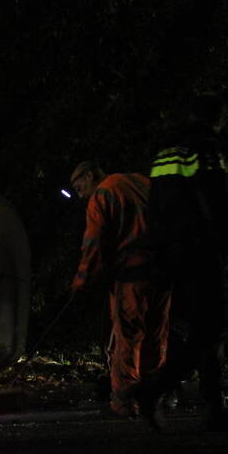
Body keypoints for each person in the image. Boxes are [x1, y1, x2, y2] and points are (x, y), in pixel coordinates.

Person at [137, 92, 228, 431]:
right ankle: (159, 390)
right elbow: (216, 199)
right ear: (216, 117)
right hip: (202, 251)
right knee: (212, 328)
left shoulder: (165, 152)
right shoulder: (206, 148)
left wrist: (158, 255)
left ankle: (212, 404)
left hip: (172, 255)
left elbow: (154, 207)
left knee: (202, 329)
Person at [68, 161, 171, 420]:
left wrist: (81, 282)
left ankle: (125, 402)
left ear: (90, 175)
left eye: (79, 187)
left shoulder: (103, 194)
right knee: (156, 336)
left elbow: (93, 243)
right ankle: (155, 397)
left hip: (131, 276)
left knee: (128, 338)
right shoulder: (142, 182)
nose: (80, 194)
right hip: (162, 274)